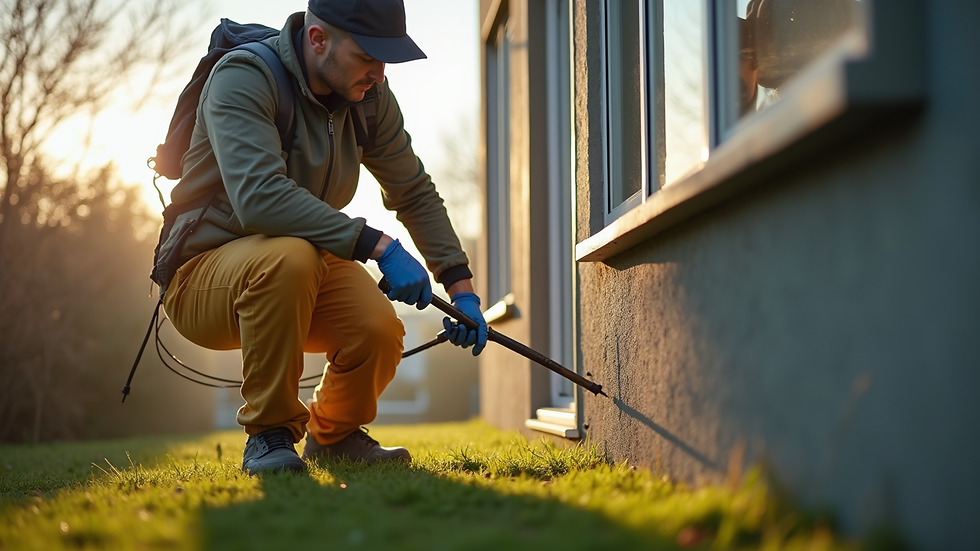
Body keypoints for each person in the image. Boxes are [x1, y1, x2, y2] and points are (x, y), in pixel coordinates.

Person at [155, 0, 488, 475]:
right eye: (368, 55)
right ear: (318, 40)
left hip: (301, 266)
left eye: (386, 58)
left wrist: (462, 289)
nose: (379, 72)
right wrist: (379, 246)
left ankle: (333, 436)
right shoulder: (245, 76)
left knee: (376, 328)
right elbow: (260, 198)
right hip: (204, 276)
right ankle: (269, 435)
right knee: (290, 257)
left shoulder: (369, 97)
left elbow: (412, 190)